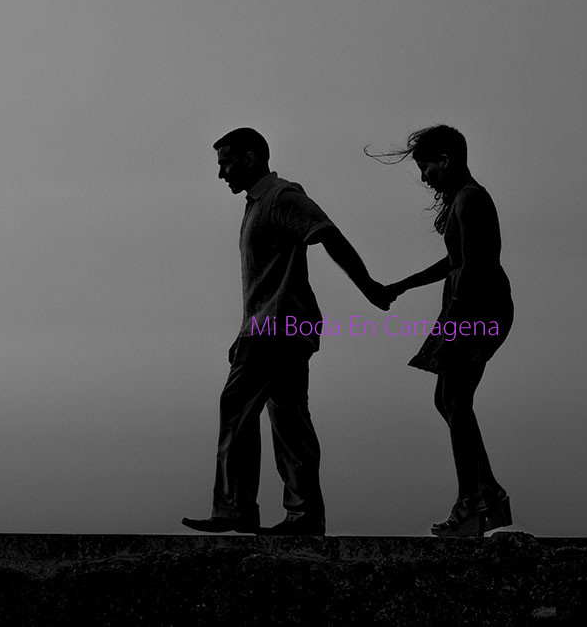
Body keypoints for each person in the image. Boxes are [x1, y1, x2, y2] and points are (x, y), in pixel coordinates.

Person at [183, 127, 390, 536]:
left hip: (276, 328)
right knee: (289, 420)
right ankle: (304, 516)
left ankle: (236, 508)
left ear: (250, 158)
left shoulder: (281, 197)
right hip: (274, 326)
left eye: (226, 163)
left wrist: (368, 287)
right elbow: (266, 281)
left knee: (237, 407)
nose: (221, 173)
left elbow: (327, 233)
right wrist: (244, 331)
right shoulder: (257, 203)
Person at [369, 125, 514, 537]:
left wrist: (454, 321)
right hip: (468, 306)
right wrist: (403, 285)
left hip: (476, 308)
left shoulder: (471, 199)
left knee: (454, 399)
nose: (424, 177)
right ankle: (487, 492)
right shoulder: (464, 200)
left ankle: (471, 501)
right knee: (448, 400)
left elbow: (475, 268)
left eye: (426, 167)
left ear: (446, 160)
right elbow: (455, 261)